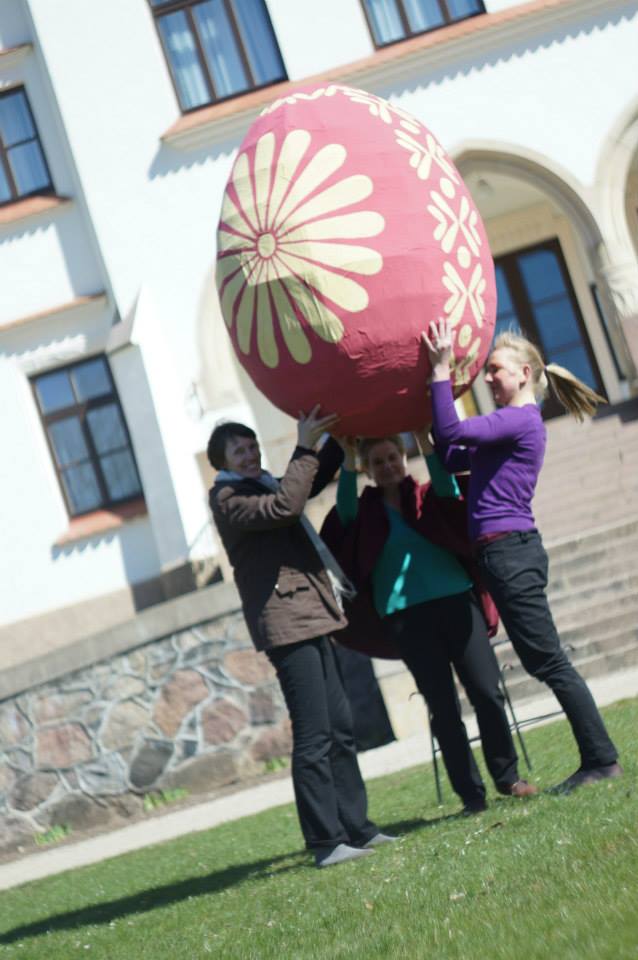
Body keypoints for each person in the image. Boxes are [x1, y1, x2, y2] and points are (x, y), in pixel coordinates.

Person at [424, 320, 622, 792]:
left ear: (525, 373)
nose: (489, 379)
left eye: (496, 370)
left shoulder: (518, 419)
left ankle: (601, 759)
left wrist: (439, 370)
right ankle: (599, 758)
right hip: (504, 553)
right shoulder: (509, 427)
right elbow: (453, 458)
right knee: (545, 661)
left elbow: (451, 430)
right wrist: (426, 432)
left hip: (510, 552)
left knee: (550, 662)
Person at [208, 409, 393, 868]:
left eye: (252, 447)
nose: (250, 455)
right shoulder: (230, 498)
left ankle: (357, 828)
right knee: (314, 734)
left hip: (311, 614)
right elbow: (287, 506)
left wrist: (337, 438)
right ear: (222, 462)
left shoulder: (270, 483)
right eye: (240, 451)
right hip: (286, 623)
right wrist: (305, 446)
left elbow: (306, 482)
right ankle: (325, 842)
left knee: (341, 726)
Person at [323, 430, 536, 814]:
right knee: (444, 709)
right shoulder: (362, 512)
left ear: (404, 459)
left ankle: (508, 777)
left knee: (487, 692)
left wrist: (425, 437)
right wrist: (348, 458)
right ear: (367, 470)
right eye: (377, 462)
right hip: (405, 618)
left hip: (456, 601)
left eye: (393, 458)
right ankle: (471, 795)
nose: (387, 466)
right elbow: (344, 506)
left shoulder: (424, 496)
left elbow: (447, 485)